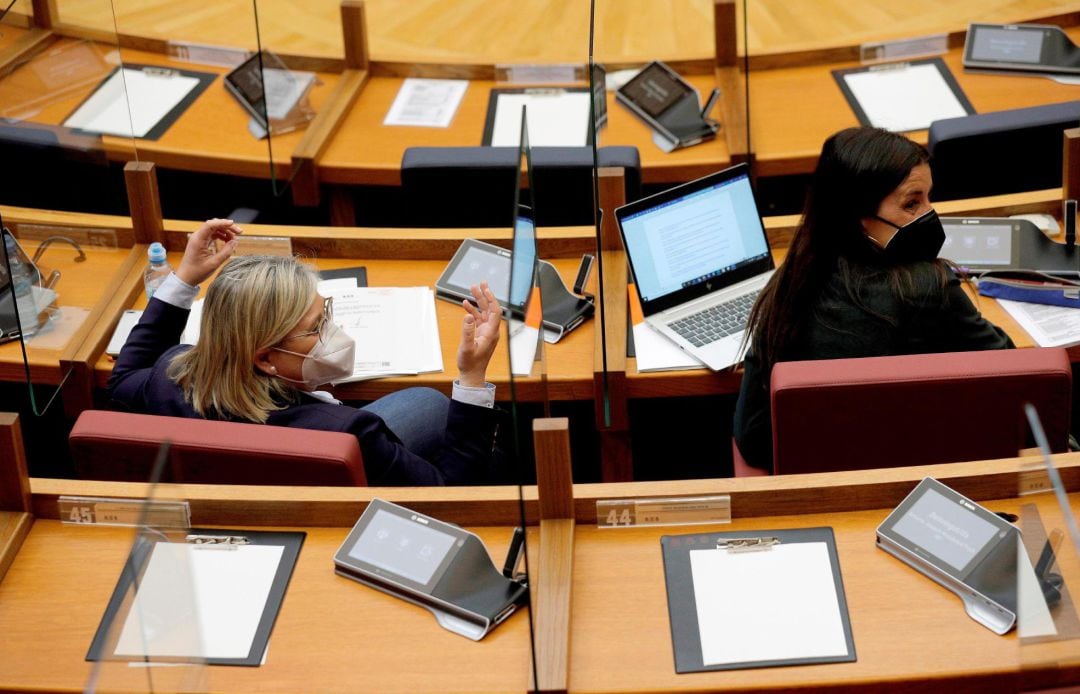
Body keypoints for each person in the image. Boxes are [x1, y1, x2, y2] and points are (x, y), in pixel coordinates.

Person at [108, 218, 506, 485]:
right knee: (433, 405)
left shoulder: (168, 377)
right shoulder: (349, 433)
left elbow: (125, 375)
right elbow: (449, 491)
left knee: (422, 403)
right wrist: (471, 379)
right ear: (264, 358)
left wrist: (186, 278)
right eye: (316, 327)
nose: (332, 332)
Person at [733, 127, 1013, 472]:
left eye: (929, 197)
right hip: (923, 476)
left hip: (818, 485)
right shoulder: (929, 287)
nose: (930, 214)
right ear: (858, 218)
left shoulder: (788, 283)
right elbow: (1011, 375)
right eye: (912, 203)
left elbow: (752, 437)